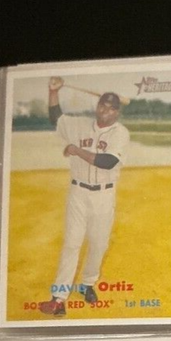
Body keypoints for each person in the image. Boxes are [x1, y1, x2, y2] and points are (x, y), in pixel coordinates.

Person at [38, 78, 130, 316]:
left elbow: (107, 161)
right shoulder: (78, 125)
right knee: (71, 243)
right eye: (102, 105)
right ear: (97, 106)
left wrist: (75, 150)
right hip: (78, 193)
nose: (106, 111)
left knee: (98, 245)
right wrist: (53, 92)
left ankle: (87, 284)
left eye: (111, 108)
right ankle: (58, 299)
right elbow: (55, 118)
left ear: (117, 112)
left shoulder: (121, 133)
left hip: (104, 195)